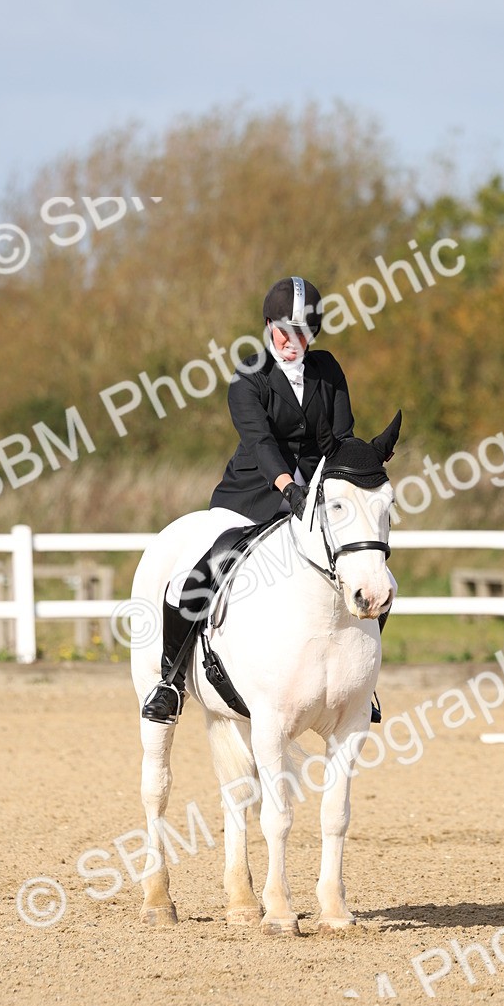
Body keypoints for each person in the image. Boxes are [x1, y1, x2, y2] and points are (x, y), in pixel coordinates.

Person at [141, 275, 381, 725]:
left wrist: (344, 477)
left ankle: (362, 685)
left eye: (303, 332)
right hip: (251, 493)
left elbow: (341, 435)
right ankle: (170, 681)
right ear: (268, 326)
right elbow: (259, 442)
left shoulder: (328, 370)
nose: (292, 341)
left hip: (313, 496)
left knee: (367, 567)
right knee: (201, 570)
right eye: (284, 331)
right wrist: (287, 485)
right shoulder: (249, 376)